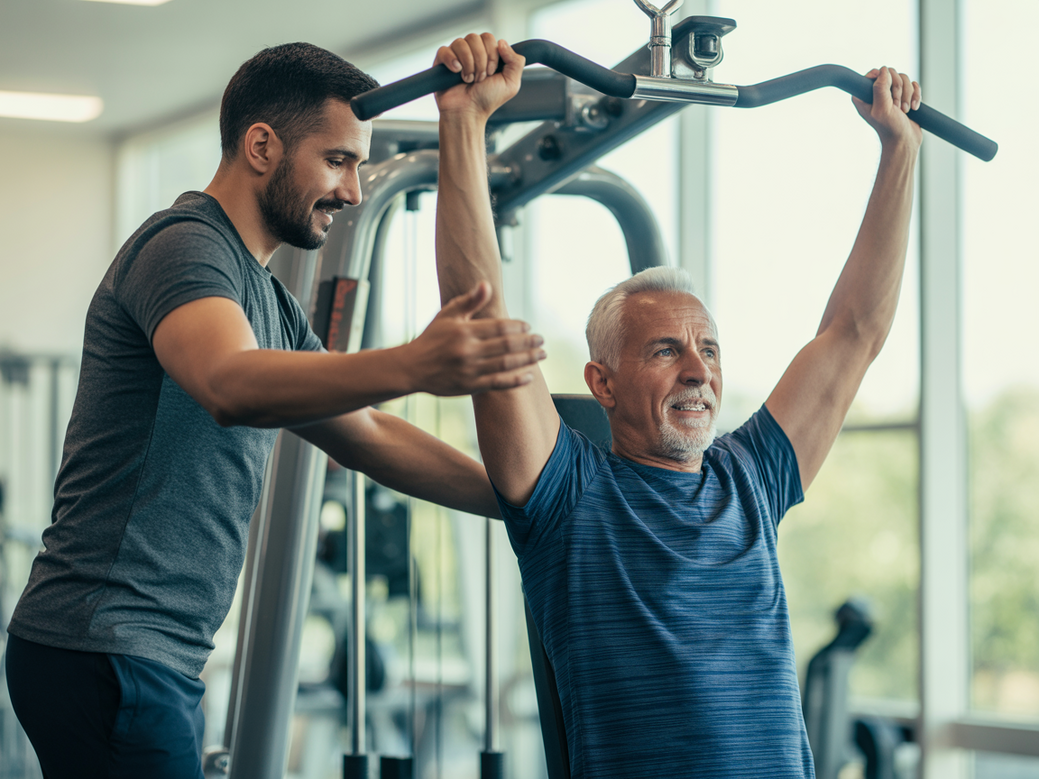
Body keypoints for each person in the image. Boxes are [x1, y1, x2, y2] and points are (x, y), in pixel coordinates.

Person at [4, 41, 545, 779]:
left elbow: (362, 432)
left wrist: (528, 500)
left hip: (140, 652)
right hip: (106, 642)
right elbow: (230, 384)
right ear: (262, 145)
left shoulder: (268, 299)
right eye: (337, 161)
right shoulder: (184, 244)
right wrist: (416, 363)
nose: (353, 191)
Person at [432, 34, 922, 778]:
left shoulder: (751, 476)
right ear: (603, 384)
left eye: (710, 349)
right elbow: (480, 318)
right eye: (665, 350)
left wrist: (899, 150)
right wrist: (463, 124)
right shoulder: (568, 495)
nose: (698, 371)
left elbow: (853, 332)